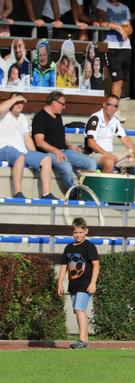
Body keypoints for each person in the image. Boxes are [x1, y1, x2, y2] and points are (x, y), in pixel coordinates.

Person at [33, 91, 97, 193]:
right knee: (67, 168)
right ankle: (73, 193)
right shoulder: (40, 117)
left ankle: (85, 192)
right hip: (49, 153)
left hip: (64, 151)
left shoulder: (58, 116)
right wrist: (56, 151)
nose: (64, 107)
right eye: (62, 104)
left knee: (91, 162)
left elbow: (59, 134)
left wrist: (68, 145)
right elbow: (39, 142)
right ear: (54, 102)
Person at [0, 94, 55, 199]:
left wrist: (34, 155)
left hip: (22, 152)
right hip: (4, 149)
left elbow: (27, 139)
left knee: (46, 159)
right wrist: (15, 98)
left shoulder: (23, 118)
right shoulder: (4, 114)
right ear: (10, 101)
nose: (19, 104)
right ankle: (18, 193)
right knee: (20, 157)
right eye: (16, 102)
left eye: (21, 102)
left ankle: (46, 194)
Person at [57, 217, 100, 350]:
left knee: (79, 309)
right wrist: (59, 283)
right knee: (79, 311)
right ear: (72, 233)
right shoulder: (68, 248)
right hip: (73, 285)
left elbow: (96, 265)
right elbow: (64, 266)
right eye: (76, 232)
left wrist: (93, 283)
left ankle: (81, 340)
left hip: (85, 284)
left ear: (86, 231)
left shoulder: (89, 247)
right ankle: (85, 341)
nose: (78, 235)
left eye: (81, 232)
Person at [84, 95, 135, 173]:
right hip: (93, 154)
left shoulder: (114, 120)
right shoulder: (95, 118)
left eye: (115, 106)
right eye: (109, 104)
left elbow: (125, 139)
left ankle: (131, 185)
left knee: (132, 160)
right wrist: (108, 155)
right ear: (104, 104)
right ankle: (108, 185)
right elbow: (91, 143)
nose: (112, 108)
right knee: (109, 161)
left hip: (109, 153)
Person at [95, 0, 134, 98]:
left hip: (126, 46)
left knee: (124, 78)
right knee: (118, 79)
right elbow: (102, 23)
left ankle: (117, 95)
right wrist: (119, 28)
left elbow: (129, 27)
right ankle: (114, 103)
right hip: (110, 46)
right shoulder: (102, 3)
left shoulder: (125, 7)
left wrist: (129, 29)